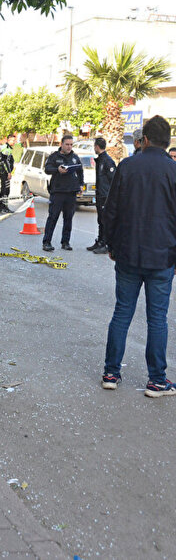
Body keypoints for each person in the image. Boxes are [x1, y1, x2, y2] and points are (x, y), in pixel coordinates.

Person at [100, 115, 176, 397]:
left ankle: (111, 373)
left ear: (143, 139)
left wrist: (110, 244)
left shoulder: (127, 166)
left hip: (128, 254)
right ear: (167, 141)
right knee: (157, 319)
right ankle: (157, 380)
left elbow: (111, 209)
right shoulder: (173, 170)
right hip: (162, 257)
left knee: (122, 313)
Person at [41, 134, 83, 251]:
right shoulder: (54, 157)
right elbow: (47, 169)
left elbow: (80, 171)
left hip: (71, 192)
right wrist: (57, 170)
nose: (69, 147)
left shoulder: (75, 157)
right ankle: (47, 242)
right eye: (67, 144)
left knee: (68, 218)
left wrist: (80, 184)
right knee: (53, 217)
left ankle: (65, 242)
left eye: (71, 144)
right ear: (61, 144)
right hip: (58, 191)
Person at [88, 137, 116, 253]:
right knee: (100, 220)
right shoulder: (100, 159)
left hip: (105, 196)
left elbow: (113, 179)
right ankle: (100, 241)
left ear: (97, 147)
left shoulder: (107, 161)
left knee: (105, 221)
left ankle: (105, 244)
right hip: (100, 195)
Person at [0, 134, 16, 213]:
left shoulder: (9, 148)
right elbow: (4, 161)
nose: (14, 142)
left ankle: (4, 206)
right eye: (13, 140)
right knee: (4, 189)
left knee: (7, 189)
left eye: (15, 140)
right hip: (3, 171)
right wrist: (8, 172)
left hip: (6, 172)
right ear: (8, 140)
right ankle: (0, 206)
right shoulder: (6, 148)